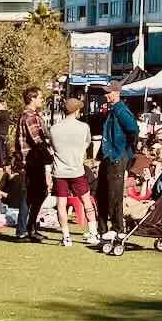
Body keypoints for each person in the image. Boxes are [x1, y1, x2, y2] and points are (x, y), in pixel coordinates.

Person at [94, 83, 138, 256]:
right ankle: (103, 229)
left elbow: (133, 130)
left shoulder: (120, 110)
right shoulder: (114, 110)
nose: (106, 96)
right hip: (109, 157)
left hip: (116, 157)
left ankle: (118, 229)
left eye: (108, 93)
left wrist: (125, 152)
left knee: (114, 194)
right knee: (103, 193)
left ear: (116, 93)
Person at [18, 88, 57, 244]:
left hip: (36, 160)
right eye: (40, 97)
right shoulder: (29, 117)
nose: (42, 99)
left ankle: (31, 227)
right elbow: (38, 140)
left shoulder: (33, 116)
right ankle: (22, 231)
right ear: (32, 98)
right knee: (30, 195)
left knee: (40, 193)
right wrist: (51, 156)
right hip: (32, 161)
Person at [50, 98, 93, 232]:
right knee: (86, 200)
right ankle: (93, 231)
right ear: (77, 110)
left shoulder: (54, 128)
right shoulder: (83, 127)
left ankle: (65, 235)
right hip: (77, 169)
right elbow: (87, 143)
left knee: (61, 203)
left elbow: (53, 147)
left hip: (59, 171)